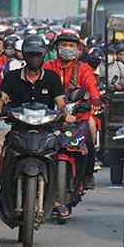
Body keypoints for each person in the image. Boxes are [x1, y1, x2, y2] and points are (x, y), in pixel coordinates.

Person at [0, 35, 76, 219]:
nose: (34, 58)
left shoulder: (52, 78)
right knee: (6, 152)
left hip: (45, 130)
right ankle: (2, 190)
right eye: (30, 55)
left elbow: (60, 102)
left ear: (43, 55)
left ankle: (54, 200)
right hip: (19, 128)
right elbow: (3, 97)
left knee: (57, 155)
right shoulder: (12, 77)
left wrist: (65, 113)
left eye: (38, 55)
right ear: (25, 56)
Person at [44, 28, 102, 190]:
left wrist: (95, 98)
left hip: (78, 113)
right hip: (50, 113)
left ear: (77, 49)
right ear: (57, 47)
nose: (67, 48)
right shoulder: (48, 66)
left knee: (91, 126)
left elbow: (91, 86)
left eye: (71, 45)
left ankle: (88, 173)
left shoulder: (83, 68)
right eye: (64, 44)